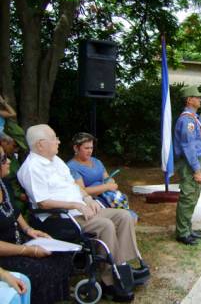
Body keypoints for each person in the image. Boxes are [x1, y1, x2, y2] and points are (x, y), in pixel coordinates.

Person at [17, 124, 149, 301]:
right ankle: (109, 280)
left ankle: (121, 266)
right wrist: (76, 205)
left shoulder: (55, 161)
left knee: (123, 216)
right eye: (54, 138)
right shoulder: (32, 168)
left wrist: (87, 199)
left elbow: (74, 185)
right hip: (60, 217)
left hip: (80, 209)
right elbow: (43, 202)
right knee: (106, 225)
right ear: (41, 144)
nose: (58, 141)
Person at [0, 145, 72, 304]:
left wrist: (29, 229)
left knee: (61, 255)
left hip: (19, 239)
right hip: (5, 252)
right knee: (40, 268)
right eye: (4, 159)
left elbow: (14, 210)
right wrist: (28, 250)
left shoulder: (3, 183)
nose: (9, 161)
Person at [67, 132, 137, 221]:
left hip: (107, 198)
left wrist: (110, 181)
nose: (90, 151)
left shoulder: (96, 161)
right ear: (76, 148)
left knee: (131, 218)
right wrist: (107, 187)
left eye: (91, 148)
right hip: (92, 202)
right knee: (126, 218)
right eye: (86, 148)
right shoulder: (72, 167)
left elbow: (107, 178)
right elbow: (82, 191)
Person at [174, 85, 201, 245]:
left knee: (193, 196)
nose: (200, 99)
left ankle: (187, 228)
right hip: (189, 163)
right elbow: (188, 147)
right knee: (188, 196)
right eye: (197, 97)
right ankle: (182, 233)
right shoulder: (187, 120)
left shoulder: (193, 118)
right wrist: (197, 169)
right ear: (189, 100)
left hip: (194, 161)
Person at [0, 133, 27, 215]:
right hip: (11, 199)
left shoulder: (12, 157)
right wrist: (19, 195)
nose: (16, 150)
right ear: (3, 142)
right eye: (14, 146)